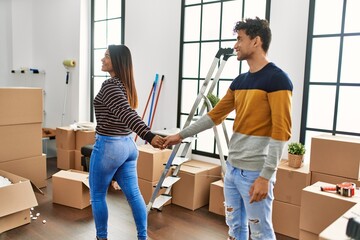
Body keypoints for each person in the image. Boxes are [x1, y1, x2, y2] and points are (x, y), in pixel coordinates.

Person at [163, 17, 293, 240]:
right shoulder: (240, 82)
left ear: (256, 41)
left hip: (255, 173)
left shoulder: (278, 79)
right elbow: (214, 116)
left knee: (260, 231)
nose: (235, 45)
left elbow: (281, 131)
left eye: (240, 39)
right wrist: (180, 135)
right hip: (232, 169)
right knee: (234, 227)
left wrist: (266, 176)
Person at [89, 44, 164, 240]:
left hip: (109, 147)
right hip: (128, 147)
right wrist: (147, 135)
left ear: (117, 61)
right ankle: (142, 237)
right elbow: (128, 114)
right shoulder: (124, 85)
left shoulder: (110, 86)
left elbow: (127, 114)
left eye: (106, 56)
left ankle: (101, 237)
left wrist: (149, 136)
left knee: (97, 196)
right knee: (134, 194)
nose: (102, 59)